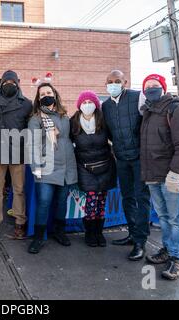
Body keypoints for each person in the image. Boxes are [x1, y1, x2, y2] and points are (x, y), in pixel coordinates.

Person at [140, 74, 179, 280]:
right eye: (148, 86)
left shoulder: (175, 109)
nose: (151, 88)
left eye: (155, 85)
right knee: (163, 216)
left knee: (176, 218)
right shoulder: (148, 111)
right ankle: (167, 249)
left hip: (171, 176)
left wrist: (175, 172)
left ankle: (176, 258)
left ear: (163, 88)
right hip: (153, 176)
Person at [102, 70, 151, 260]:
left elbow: (153, 118)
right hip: (121, 159)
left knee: (142, 197)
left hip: (139, 158)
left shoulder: (138, 97)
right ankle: (132, 233)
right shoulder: (105, 106)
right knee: (127, 197)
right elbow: (106, 132)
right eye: (109, 81)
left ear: (125, 82)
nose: (113, 84)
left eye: (117, 81)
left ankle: (141, 241)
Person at [27, 83, 78, 254]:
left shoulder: (64, 116)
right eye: (42, 94)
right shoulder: (36, 119)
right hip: (46, 167)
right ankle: (39, 237)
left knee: (62, 202)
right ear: (38, 98)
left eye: (48, 92)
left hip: (66, 166)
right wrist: (36, 167)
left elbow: (69, 139)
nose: (46, 95)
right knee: (44, 202)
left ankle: (59, 232)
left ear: (55, 94)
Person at [0, 70, 33, 240]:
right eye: (6, 82)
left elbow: (30, 128)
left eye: (12, 82)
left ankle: (20, 223)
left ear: (18, 84)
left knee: (19, 189)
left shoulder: (27, 104)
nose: (9, 85)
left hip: (18, 153)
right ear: (1, 83)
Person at [70, 91, 116, 247]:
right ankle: (90, 232)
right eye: (84, 102)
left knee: (101, 201)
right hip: (85, 168)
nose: (87, 105)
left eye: (91, 102)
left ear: (96, 105)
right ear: (79, 105)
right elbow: (67, 142)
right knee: (91, 201)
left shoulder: (103, 120)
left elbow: (115, 138)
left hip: (105, 166)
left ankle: (99, 232)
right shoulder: (73, 122)